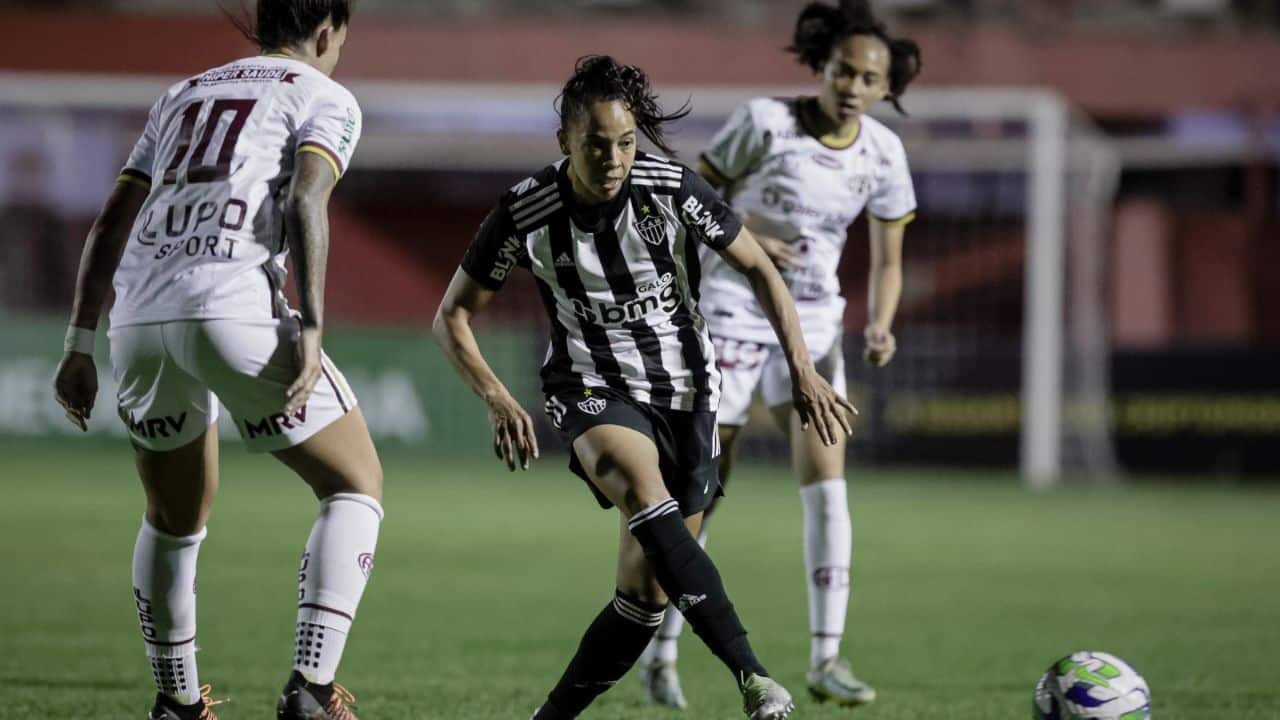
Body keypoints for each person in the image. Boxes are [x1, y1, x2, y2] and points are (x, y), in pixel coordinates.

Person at [434, 55, 856, 720]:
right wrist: (497, 396)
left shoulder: (669, 187)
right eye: (596, 144)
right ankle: (753, 677)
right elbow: (452, 315)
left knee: (643, 603)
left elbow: (759, 269)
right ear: (565, 141)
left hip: (686, 392)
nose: (612, 159)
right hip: (589, 386)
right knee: (640, 488)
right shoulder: (526, 210)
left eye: (625, 142)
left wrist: (802, 367)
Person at [52, 2, 382, 718]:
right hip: (232, 304)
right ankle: (313, 691)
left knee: (174, 517)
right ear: (327, 30)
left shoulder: (182, 93)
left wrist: (78, 342)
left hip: (138, 316)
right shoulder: (325, 96)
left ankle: (176, 704)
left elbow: (114, 218)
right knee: (355, 484)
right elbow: (306, 195)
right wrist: (315, 324)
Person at [638, 0, 921, 710]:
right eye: (842, 71)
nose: (852, 85)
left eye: (867, 78)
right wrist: (752, 227)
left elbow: (888, 260)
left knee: (828, 475)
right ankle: (664, 650)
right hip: (732, 313)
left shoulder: (884, 154)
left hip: (814, 328)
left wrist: (881, 324)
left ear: (885, 88)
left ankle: (827, 658)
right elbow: (688, 195)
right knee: (705, 484)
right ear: (821, 68)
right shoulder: (764, 122)